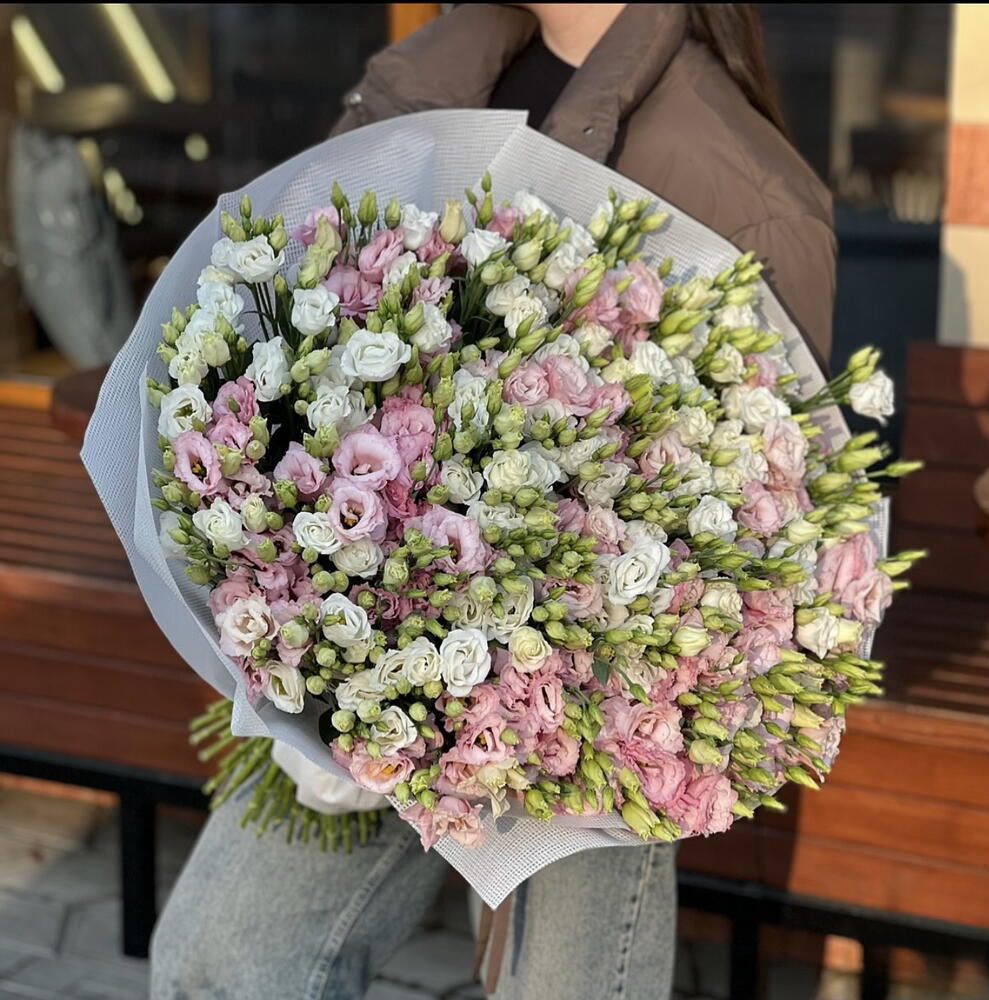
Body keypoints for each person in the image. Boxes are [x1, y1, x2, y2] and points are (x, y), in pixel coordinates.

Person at [150, 5, 835, 999]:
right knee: (220, 963)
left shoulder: (746, 185)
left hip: (590, 704)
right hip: (353, 663)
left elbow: (766, 529)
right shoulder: (428, 72)